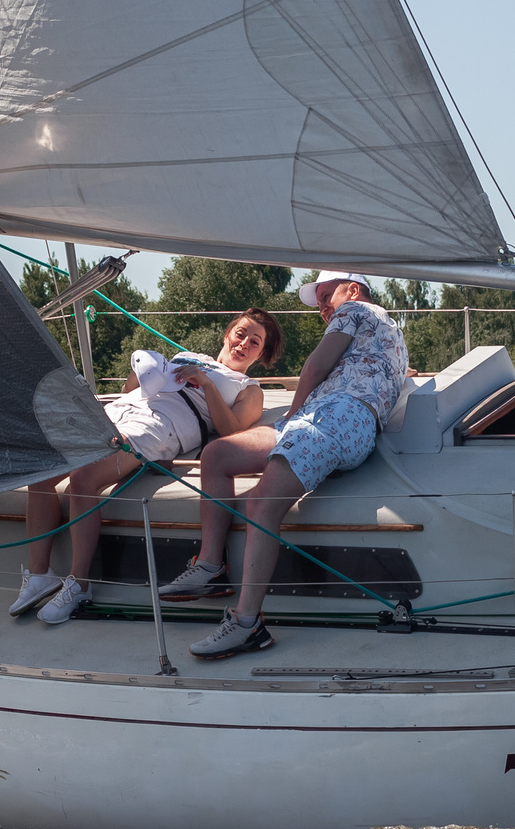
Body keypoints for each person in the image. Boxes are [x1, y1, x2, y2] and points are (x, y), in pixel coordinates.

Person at [159, 271, 409, 660]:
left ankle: (246, 625)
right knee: (217, 455)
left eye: (327, 296)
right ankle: (210, 567)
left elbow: (313, 368)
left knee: (261, 504)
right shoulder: (390, 336)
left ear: (354, 290)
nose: (323, 308)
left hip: (336, 418)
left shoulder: (357, 310)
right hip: (329, 418)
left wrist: (294, 416)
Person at [8, 308, 284, 625]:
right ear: (227, 334)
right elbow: (131, 389)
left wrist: (206, 384)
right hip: (121, 411)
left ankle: (79, 584)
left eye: (255, 342)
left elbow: (232, 430)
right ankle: (40, 574)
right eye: (242, 333)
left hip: (160, 426)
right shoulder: (184, 355)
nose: (244, 343)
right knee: (41, 471)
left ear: (261, 354)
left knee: (83, 479)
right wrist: (142, 368)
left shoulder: (247, 386)